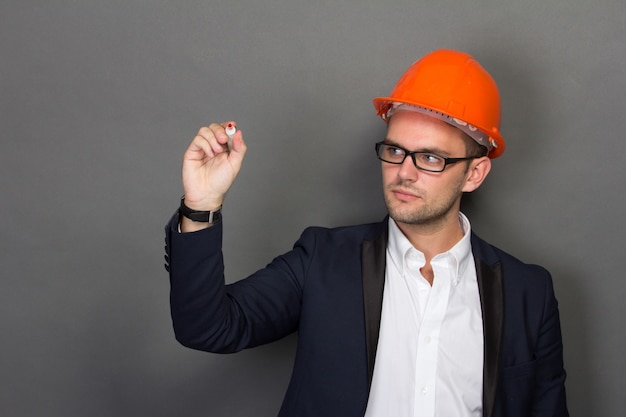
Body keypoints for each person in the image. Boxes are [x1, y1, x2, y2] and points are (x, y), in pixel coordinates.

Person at [164, 49, 568, 417]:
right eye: (395, 151)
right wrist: (201, 205)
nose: (404, 173)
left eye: (430, 157)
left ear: (474, 173)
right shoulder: (321, 259)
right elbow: (208, 327)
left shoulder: (528, 293)